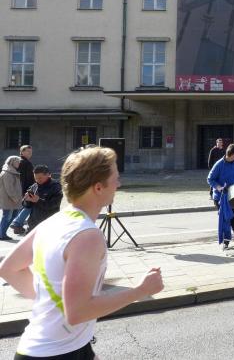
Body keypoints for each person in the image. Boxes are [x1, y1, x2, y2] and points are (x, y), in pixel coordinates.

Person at [0, 146, 163, 359]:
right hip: (55, 354)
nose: (119, 184)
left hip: (55, 348)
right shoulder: (87, 236)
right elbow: (77, 312)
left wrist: (51, 302)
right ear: (98, 187)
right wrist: (140, 291)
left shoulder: (56, 221)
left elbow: (9, 269)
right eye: (116, 178)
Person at [208, 143, 234, 250]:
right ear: (232, 154)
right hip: (222, 197)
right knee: (226, 220)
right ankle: (226, 242)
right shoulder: (219, 164)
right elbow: (210, 179)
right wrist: (219, 187)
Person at [21, 165, 63, 232]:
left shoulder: (56, 187)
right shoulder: (34, 186)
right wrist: (27, 200)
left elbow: (54, 205)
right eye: (36, 178)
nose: (38, 180)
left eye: (40, 178)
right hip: (33, 224)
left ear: (48, 175)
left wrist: (38, 200)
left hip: (49, 224)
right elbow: (25, 205)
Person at [10, 145, 34, 235]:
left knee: (23, 206)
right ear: (22, 152)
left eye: (31, 152)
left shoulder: (18, 161)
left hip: (19, 188)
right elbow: (28, 178)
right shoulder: (26, 163)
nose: (30, 153)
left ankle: (17, 227)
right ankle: (17, 223)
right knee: (29, 205)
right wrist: (30, 189)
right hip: (26, 188)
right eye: (28, 151)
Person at [0, 156, 23, 241]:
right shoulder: (7, 173)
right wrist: (15, 198)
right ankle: (1, 234)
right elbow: (9, 188)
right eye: (17, 161)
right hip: (9, 199)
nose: (19, 163)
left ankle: (2, 233)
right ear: (12, 162)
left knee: (13, 216)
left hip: (12, 199)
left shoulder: (11, 171)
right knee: (7, 217)